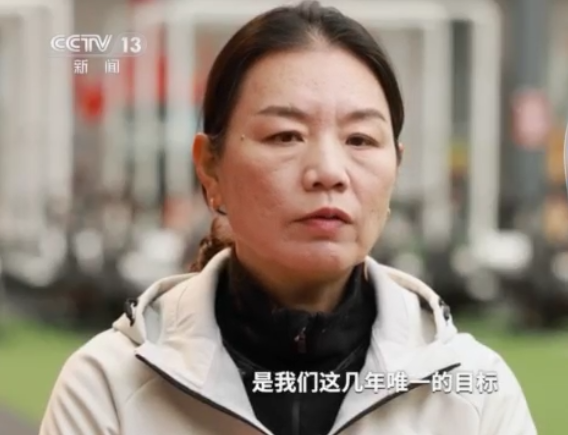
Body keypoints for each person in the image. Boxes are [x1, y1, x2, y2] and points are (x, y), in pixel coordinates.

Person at [39, 2, 536, 434]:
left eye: (360, 139)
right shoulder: (108, 386)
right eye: (285, 136)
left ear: (396, 167)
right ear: (210, 168)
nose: (329, 172)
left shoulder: (473, 391)